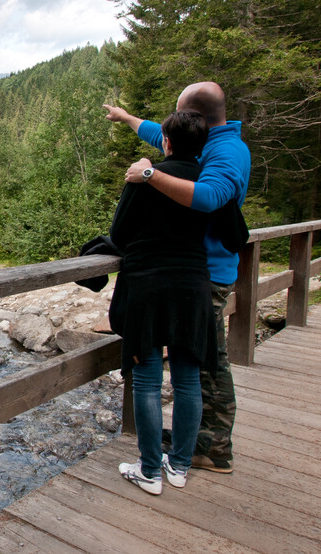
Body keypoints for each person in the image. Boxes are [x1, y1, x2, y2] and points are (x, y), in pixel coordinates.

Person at [104, 81, 251, 474]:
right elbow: (161, 132)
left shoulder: (226, 153)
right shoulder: (204, 143)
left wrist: (149, 173)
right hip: (195, 276)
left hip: (205, 274)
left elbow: (209, 197)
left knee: (208, 366)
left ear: (196, 122)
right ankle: (186, 454)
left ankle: (213, 447)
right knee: (192, 370)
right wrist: (126, 118)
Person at [109, 110, 216, 495]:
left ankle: (150, 470)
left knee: (149, 380)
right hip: (193, 285)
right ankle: (180, 466)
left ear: (166, 142)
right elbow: (232, 231)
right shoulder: (209, 180)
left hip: (147, 286)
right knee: (188, 381)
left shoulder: (145, 176)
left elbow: (118, 233)